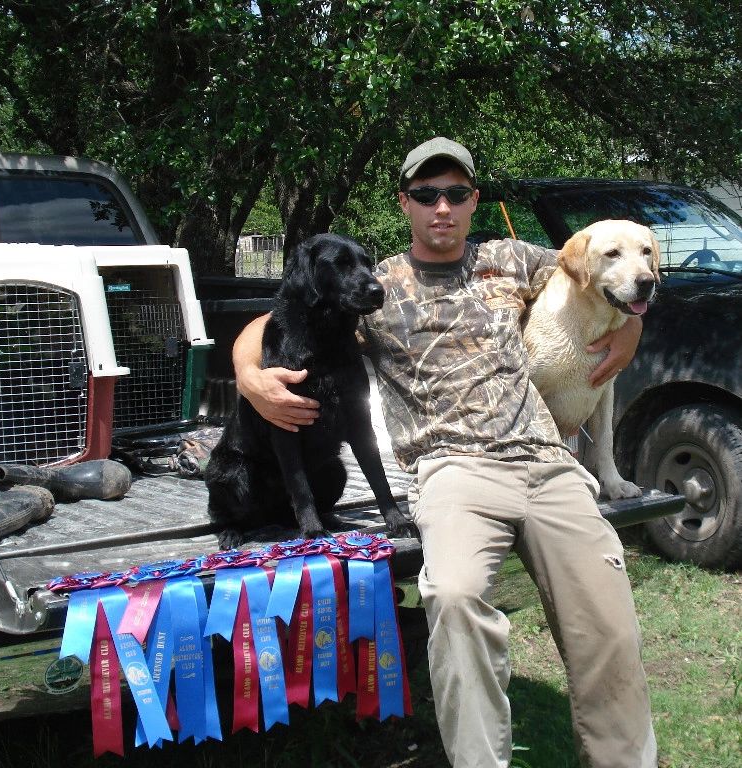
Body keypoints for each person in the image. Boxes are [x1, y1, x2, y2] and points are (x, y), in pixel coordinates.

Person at [232, 137, 657, 768]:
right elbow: (276, 323)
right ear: (404, 203)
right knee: (455, 598)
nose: (442, 207)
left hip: (546, 459)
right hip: (453, 469)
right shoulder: (376, 287)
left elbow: (607, 274)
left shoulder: (511, 259)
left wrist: (633, 327)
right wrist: (247, 373)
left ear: (473, 202)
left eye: (456, 194)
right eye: (426, 194)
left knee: (610, 623)